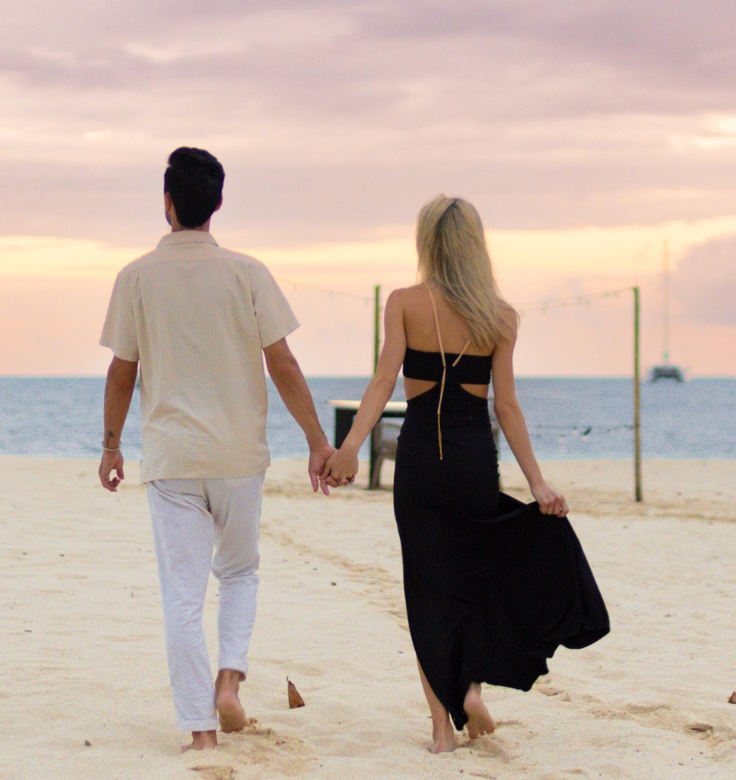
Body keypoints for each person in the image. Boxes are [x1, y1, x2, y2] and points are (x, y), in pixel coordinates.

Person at [325, 195, 610, 753]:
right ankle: (472, 691)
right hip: (473, 462)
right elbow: (507, 408)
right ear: (476, 246)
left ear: (426, 242)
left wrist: (351, 447)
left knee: (426, 592)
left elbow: (383, 384)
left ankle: (440, 727)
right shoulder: (500, 316)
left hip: (419, 468)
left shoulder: (404, 303)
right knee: (471, 585)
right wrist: (538, 484)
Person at [98, 147, 338, 752]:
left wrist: (110, 446)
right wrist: (316, 440)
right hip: (237, 457)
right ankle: (229, 679)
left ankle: (201, 734)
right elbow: (281, 361)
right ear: (218, 204)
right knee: (239, 573)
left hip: (173, 460)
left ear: (168, 203)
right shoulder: (247, 272)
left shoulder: (135, 276)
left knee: (182, 598)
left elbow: (122, 371)